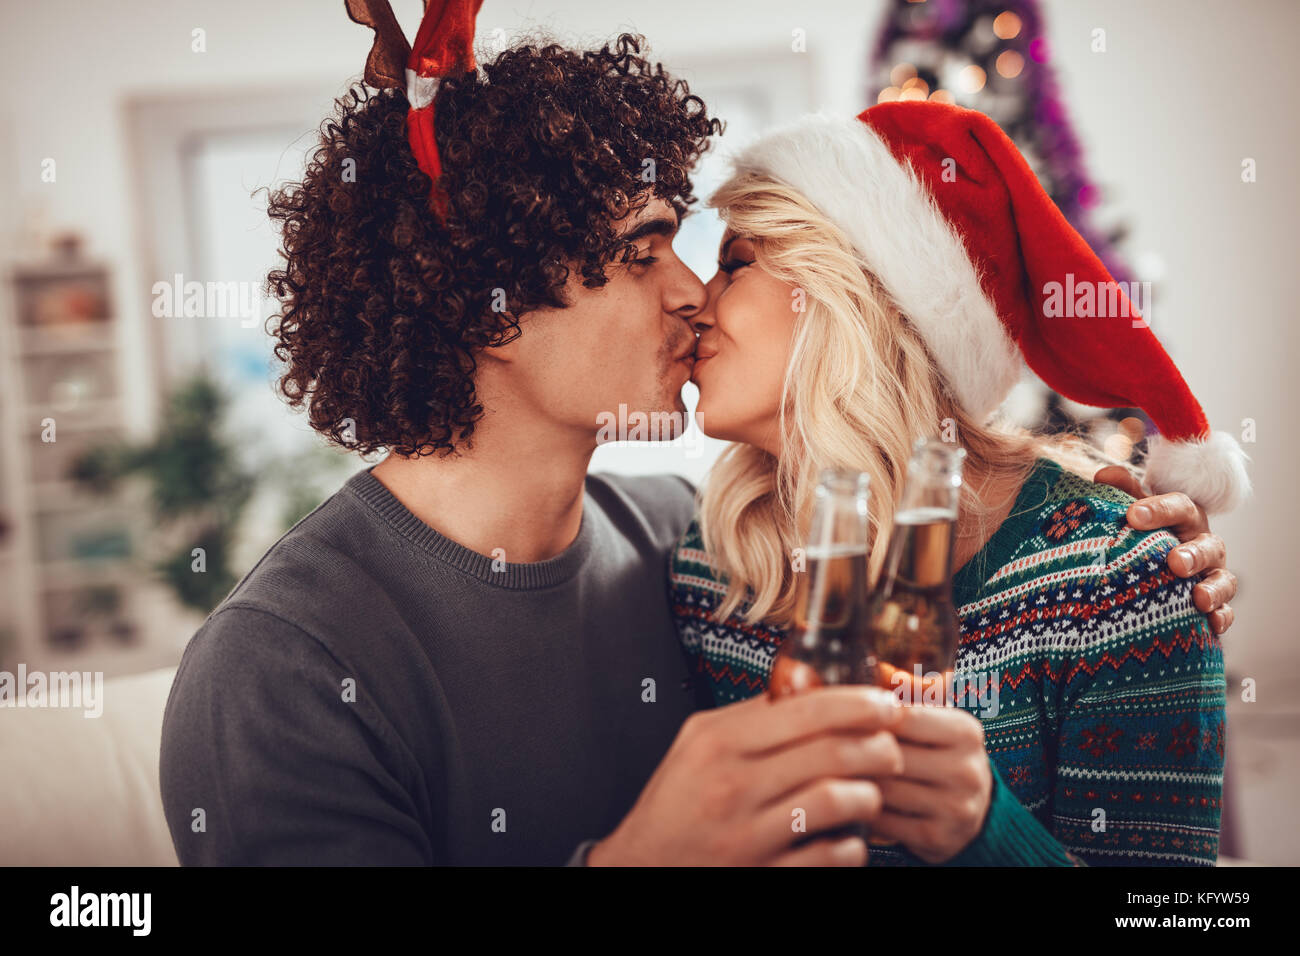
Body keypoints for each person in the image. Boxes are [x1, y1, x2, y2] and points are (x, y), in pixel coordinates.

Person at [159, 8, 1240, 866]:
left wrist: (1138, 553)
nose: (689, 293)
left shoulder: (684, 545)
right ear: (487, 304)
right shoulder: (279, 670)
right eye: (646, 252)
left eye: (716, 255)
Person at [667, 102, 1249, 866]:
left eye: (736, 262)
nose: (694, 304)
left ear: (851, 296)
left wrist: (983, 836)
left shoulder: (1115, 575)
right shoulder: (714, 567)